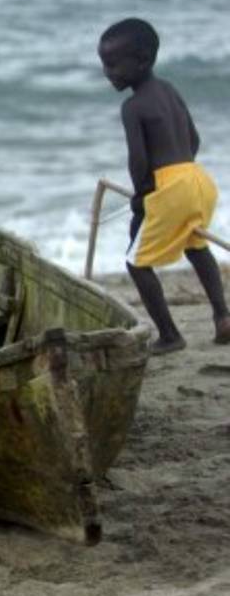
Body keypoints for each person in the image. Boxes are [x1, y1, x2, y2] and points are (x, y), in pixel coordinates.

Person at [98, 18, 230, 354]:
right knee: (195, 243)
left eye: (113, 64)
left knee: (136, 262)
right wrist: (181, 176)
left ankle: (170, 336)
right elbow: (194, 137)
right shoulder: (169, 90)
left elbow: (138, 160)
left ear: (142, 60)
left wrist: (142, 196)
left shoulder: (132, 107)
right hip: (196, 178)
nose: (107, 72)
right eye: (104, 64)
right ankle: (222, 316)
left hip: (167, 186)